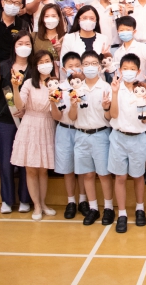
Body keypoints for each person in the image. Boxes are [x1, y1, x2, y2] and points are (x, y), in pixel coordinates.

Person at [11, 50, 60, 221]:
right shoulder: (28, 84)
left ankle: (43, 203)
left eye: (48, 61)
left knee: (43, 170)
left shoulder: (56, 84)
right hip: (30, 125)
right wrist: (15, 87)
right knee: (31, 169)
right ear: (36, 66)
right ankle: (37, 205)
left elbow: (58, 111)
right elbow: (19, 105)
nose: (45, 64)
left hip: (47, 125)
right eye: (41, 62)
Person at [0, 31, 32, 214]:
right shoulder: (3, 66)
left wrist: (26, 109)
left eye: (27, 43)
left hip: (28, 120)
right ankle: (7, 200)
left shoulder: (34, 68)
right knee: (5, 161)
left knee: (26, 162)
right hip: (5, 120)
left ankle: (25, 199)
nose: (24, 47)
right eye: (20, 43)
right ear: (14, 46)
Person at [68, 50, 114, 226]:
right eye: (86, 64)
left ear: (100, 66)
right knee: (87, 174)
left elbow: (110, 117)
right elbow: (72, 117)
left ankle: (108, 208)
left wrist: (107, 107)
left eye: (94, 64)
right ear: (81, 67)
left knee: (103, 174)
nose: (90, 67)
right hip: (81, 135)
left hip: (101, 134)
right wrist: (73, 105)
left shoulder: (106, 88)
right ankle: (93, 208)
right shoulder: (76, 89)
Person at [108, 53, 146, 234]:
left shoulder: (143, 89)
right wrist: (114, 93)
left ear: (139, 71)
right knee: (120, 177)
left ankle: (140, 209)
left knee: (138, 176)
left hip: (138, 138)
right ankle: (122, 213)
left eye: (132, 69)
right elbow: (113, 115)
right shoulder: (115, 89)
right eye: (125, 68)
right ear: (119, 70)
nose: (128, 72)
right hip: (118, 138)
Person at [57, 53, 88, 219]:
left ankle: (83, 200)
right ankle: (71, 201)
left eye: (77, 65)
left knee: (82, 167)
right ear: (64, 69)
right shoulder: (59, 88)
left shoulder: (85, 87)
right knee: (67, 168)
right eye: (70, 66)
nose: (74, 69)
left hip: (81, 130)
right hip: (64, 129)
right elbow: (56, 114)